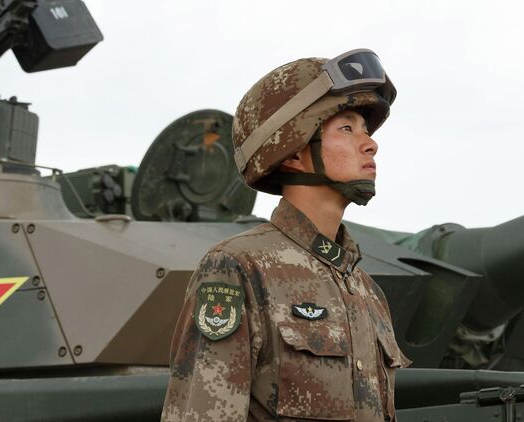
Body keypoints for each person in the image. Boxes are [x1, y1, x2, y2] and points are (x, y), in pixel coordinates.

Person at [161, 49, 410, 421]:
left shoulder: (367, 292)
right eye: (346, 128)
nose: (370, 143)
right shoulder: (238, 268)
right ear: (292, 152)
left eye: (365, 130)